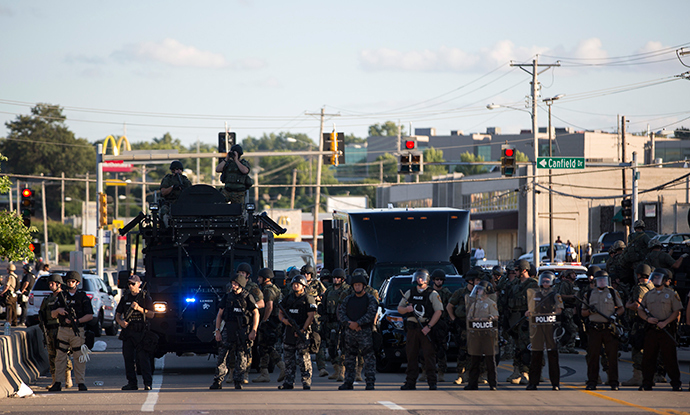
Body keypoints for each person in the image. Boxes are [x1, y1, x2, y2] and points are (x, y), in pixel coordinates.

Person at [210, 272, 259, 390]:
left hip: (242, 329)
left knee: (242, 356)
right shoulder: (227, 297)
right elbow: (220, 314)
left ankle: (238, 380)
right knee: (222, 356)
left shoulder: (248, 297)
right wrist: (217, 331)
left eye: (236, 284)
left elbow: (255, 313)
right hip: (228, 329)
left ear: (241, 285)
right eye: (233, 283)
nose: (234, 286)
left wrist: (253, 330)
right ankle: (218, 380)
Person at [637, 268, 683, 391]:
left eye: (658, 277)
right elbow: (640, 310)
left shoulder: (672, 294)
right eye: (655, 277)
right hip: (652, 329)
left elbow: (676, 311)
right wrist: (647, 319)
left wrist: (665, 322)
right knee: (648, 357)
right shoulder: (649, 294)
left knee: (670, 358)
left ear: (665, 280)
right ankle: (647, 382)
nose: (656, 279)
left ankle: (676, 383)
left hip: (666, 329)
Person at [398, 269, 444, 390]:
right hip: (412, 329)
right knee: (411, 355)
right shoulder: (410, 292)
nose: (419, 279)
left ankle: (432, 382)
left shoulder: (432, 294)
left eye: (422, 277)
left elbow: (438, 311)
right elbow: (399, 308)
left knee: (429, 356)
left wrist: (429, 327)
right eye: (418, 277)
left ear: (427, 279)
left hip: (425, 328)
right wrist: (407, 310)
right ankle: (410, 382)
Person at [49, 271, 94, 392]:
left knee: (79, 357)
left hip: (77, 331)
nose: (70, 284)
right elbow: (52, 314)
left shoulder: (83, 297)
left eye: (72, 282)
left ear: (77, 283)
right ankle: (58, 382)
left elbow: (90, 315)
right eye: (68, 281)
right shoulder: (61, 296)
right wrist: (59, 310)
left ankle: (81, 382)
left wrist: (77, 321)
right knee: (60, 357)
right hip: (63, 330)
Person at [580, 271, 624, 390]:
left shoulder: (612, 292)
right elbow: (583, 312)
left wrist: (615, 315)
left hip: (609, 328)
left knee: (612, 357)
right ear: (595, 281)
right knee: (593, 356)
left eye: (604, 280)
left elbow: (621, 308)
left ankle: (613, 382)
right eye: (600, 280)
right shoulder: (589, 294)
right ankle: (592, 382)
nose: (602, 282)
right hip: (594, 329)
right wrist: (591, 311)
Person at [337, 272, 378, 391]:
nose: (357, 287)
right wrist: (350, 324)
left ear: (364, 286)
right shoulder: (348, 299)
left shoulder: (370, 299)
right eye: (355, 285)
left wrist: (358, 323)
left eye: (359, 285)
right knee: (349, 358)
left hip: (365, 332)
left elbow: (371, 313)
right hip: (350, 332)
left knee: (369, 358)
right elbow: (341, 313)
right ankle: (348, 382)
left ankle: (370, 382)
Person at [115, 274, 155, 391]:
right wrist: (121, 322)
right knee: (128, 358)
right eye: (129, 284)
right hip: (128, 332)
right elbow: (117, 315)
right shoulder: (125, 298)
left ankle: (147, 383)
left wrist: (139, 309)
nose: (130, 286)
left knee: (143, 359)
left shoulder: (145, 298)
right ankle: (132, 383)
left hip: (141, 332)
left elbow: (152, 314)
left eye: (133, 284)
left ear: (139, 284)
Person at [525, 271, 563, 390]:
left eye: (547, 281)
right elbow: (530, 309)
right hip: (538, 327)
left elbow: (559, 310)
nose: (545, 283)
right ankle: (533, 382)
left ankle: (555, 383)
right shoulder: (535, 294)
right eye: (543, 281)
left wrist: (551, 313)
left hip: (550, 327)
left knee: (553, 355)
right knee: (536, 355)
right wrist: (528, 313)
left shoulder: (555, 295)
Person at [278, 274, 317, 390]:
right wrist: (284, 321)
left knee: (304, 358)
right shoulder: (288, 298)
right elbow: (280, 312)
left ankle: (306, 381)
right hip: (289, 331)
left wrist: (303, 329)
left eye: (298, 284)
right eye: (294, 284)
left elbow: (311, 316)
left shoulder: (308, 298)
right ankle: (288, 382)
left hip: (302, 331)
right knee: (288, 358)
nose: (295, 286)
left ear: (303, 286)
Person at [505, 260, 537, 385]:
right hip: (515, 319)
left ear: (524, 270)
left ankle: (526, 373)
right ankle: (517, 371)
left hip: (526, 319)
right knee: (517, 347)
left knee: (526, 348)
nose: (515, 273)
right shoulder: (515, 284)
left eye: (517, 270)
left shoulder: (532, 284)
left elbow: (536, 302)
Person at [38, 273, 73, 389]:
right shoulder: (47, 299)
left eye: (52, 283)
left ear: (59, 284)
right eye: (49, 284)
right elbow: (41, 313)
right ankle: (54, 380)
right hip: (50, 330)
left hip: (61, 329)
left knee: (63, 353)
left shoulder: (64, 297)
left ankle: (68, 377)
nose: (50, 285)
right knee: (52, 355)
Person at [463, 280, 499, 391]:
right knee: (474, 360)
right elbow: (469, 317)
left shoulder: (490, 303)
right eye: (477, 289)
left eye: (480, 289)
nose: (478, 291)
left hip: (488, 334)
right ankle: (472, 384)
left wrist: (481, 319)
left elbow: (495, 317)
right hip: (476, 334)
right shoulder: (474, 304)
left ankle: (492, 383)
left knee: (490, 360)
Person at [252, 268, 285, 383]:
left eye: (260, 277)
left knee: (266, 347)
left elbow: (269, 306)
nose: (258, 279)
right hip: (276, 322)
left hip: (270, 322)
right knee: (264, 347)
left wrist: (264, 320)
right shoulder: (276, 288)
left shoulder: (268, 290)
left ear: (265, 279)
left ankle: (281, 366)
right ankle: (264, 373)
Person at [322, 268, 350, 381]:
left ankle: (342, 371)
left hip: (342, 322)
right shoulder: (328, 290)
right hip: (330, 322)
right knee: (331, 347)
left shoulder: (347, 290)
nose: (336, 280)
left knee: (343, 346)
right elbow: (323, 305)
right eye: (334, 278)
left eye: (338, 278)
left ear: (343, 279)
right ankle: (336, 369)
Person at [303, 265, 329, 378]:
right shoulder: (299, 283)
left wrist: (318, 298)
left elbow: (326, 295)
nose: (306, 275)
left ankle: (321, 367)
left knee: (318, 341)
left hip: (316, 317)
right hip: (303, 316)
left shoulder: (317, 284)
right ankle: (305, 368)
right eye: (304, 273)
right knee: (303, 342)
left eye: (308, 274)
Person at [430, 269, 452, 382]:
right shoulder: (429, 292)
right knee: (427, 348)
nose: (439, 282)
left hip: (441, 323)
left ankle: (441, 372)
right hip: (429, 322)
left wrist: (449, 320)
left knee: (441, 348)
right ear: (433, 280)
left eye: (440, 280)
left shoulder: (447, 293)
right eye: (437, 279)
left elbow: (451, 306)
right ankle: (425, 371)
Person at [159, 160, 192, 226]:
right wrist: (173, 187)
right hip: (170, 203)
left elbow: (191, 191)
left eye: (180, 169)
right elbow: (163, 192)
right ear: (173, 170)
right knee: (164, 211)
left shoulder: (184, 179)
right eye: (177, 169)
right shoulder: (168, 179)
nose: (179, 171)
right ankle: (168, 227)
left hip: (182, 203)